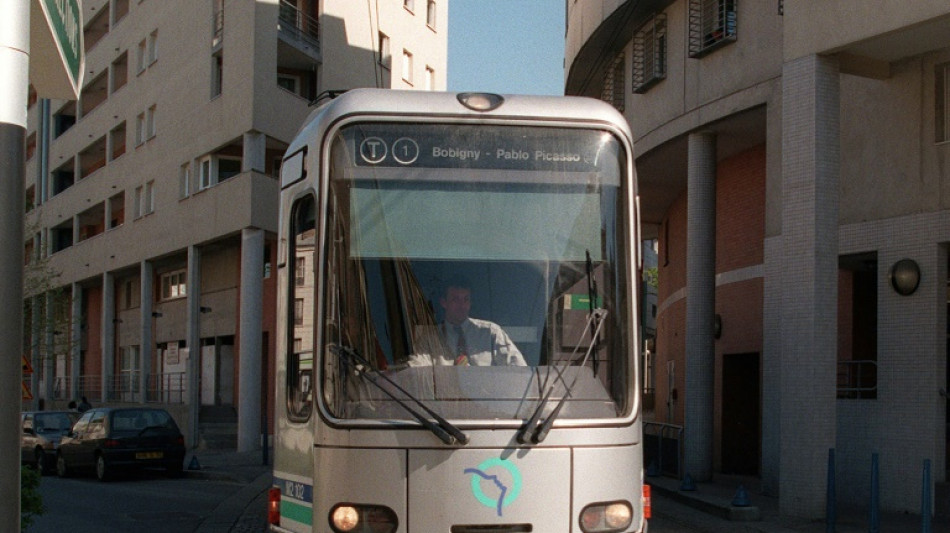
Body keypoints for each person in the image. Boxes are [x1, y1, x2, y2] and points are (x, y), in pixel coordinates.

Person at [409, 277, 526, 367]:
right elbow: (417, 368)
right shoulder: (430, 338)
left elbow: (518, 368)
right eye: (456, 299)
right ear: (443, 302)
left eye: (466, 299)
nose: (462, 305)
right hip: (444, 397)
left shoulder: (490, 332)